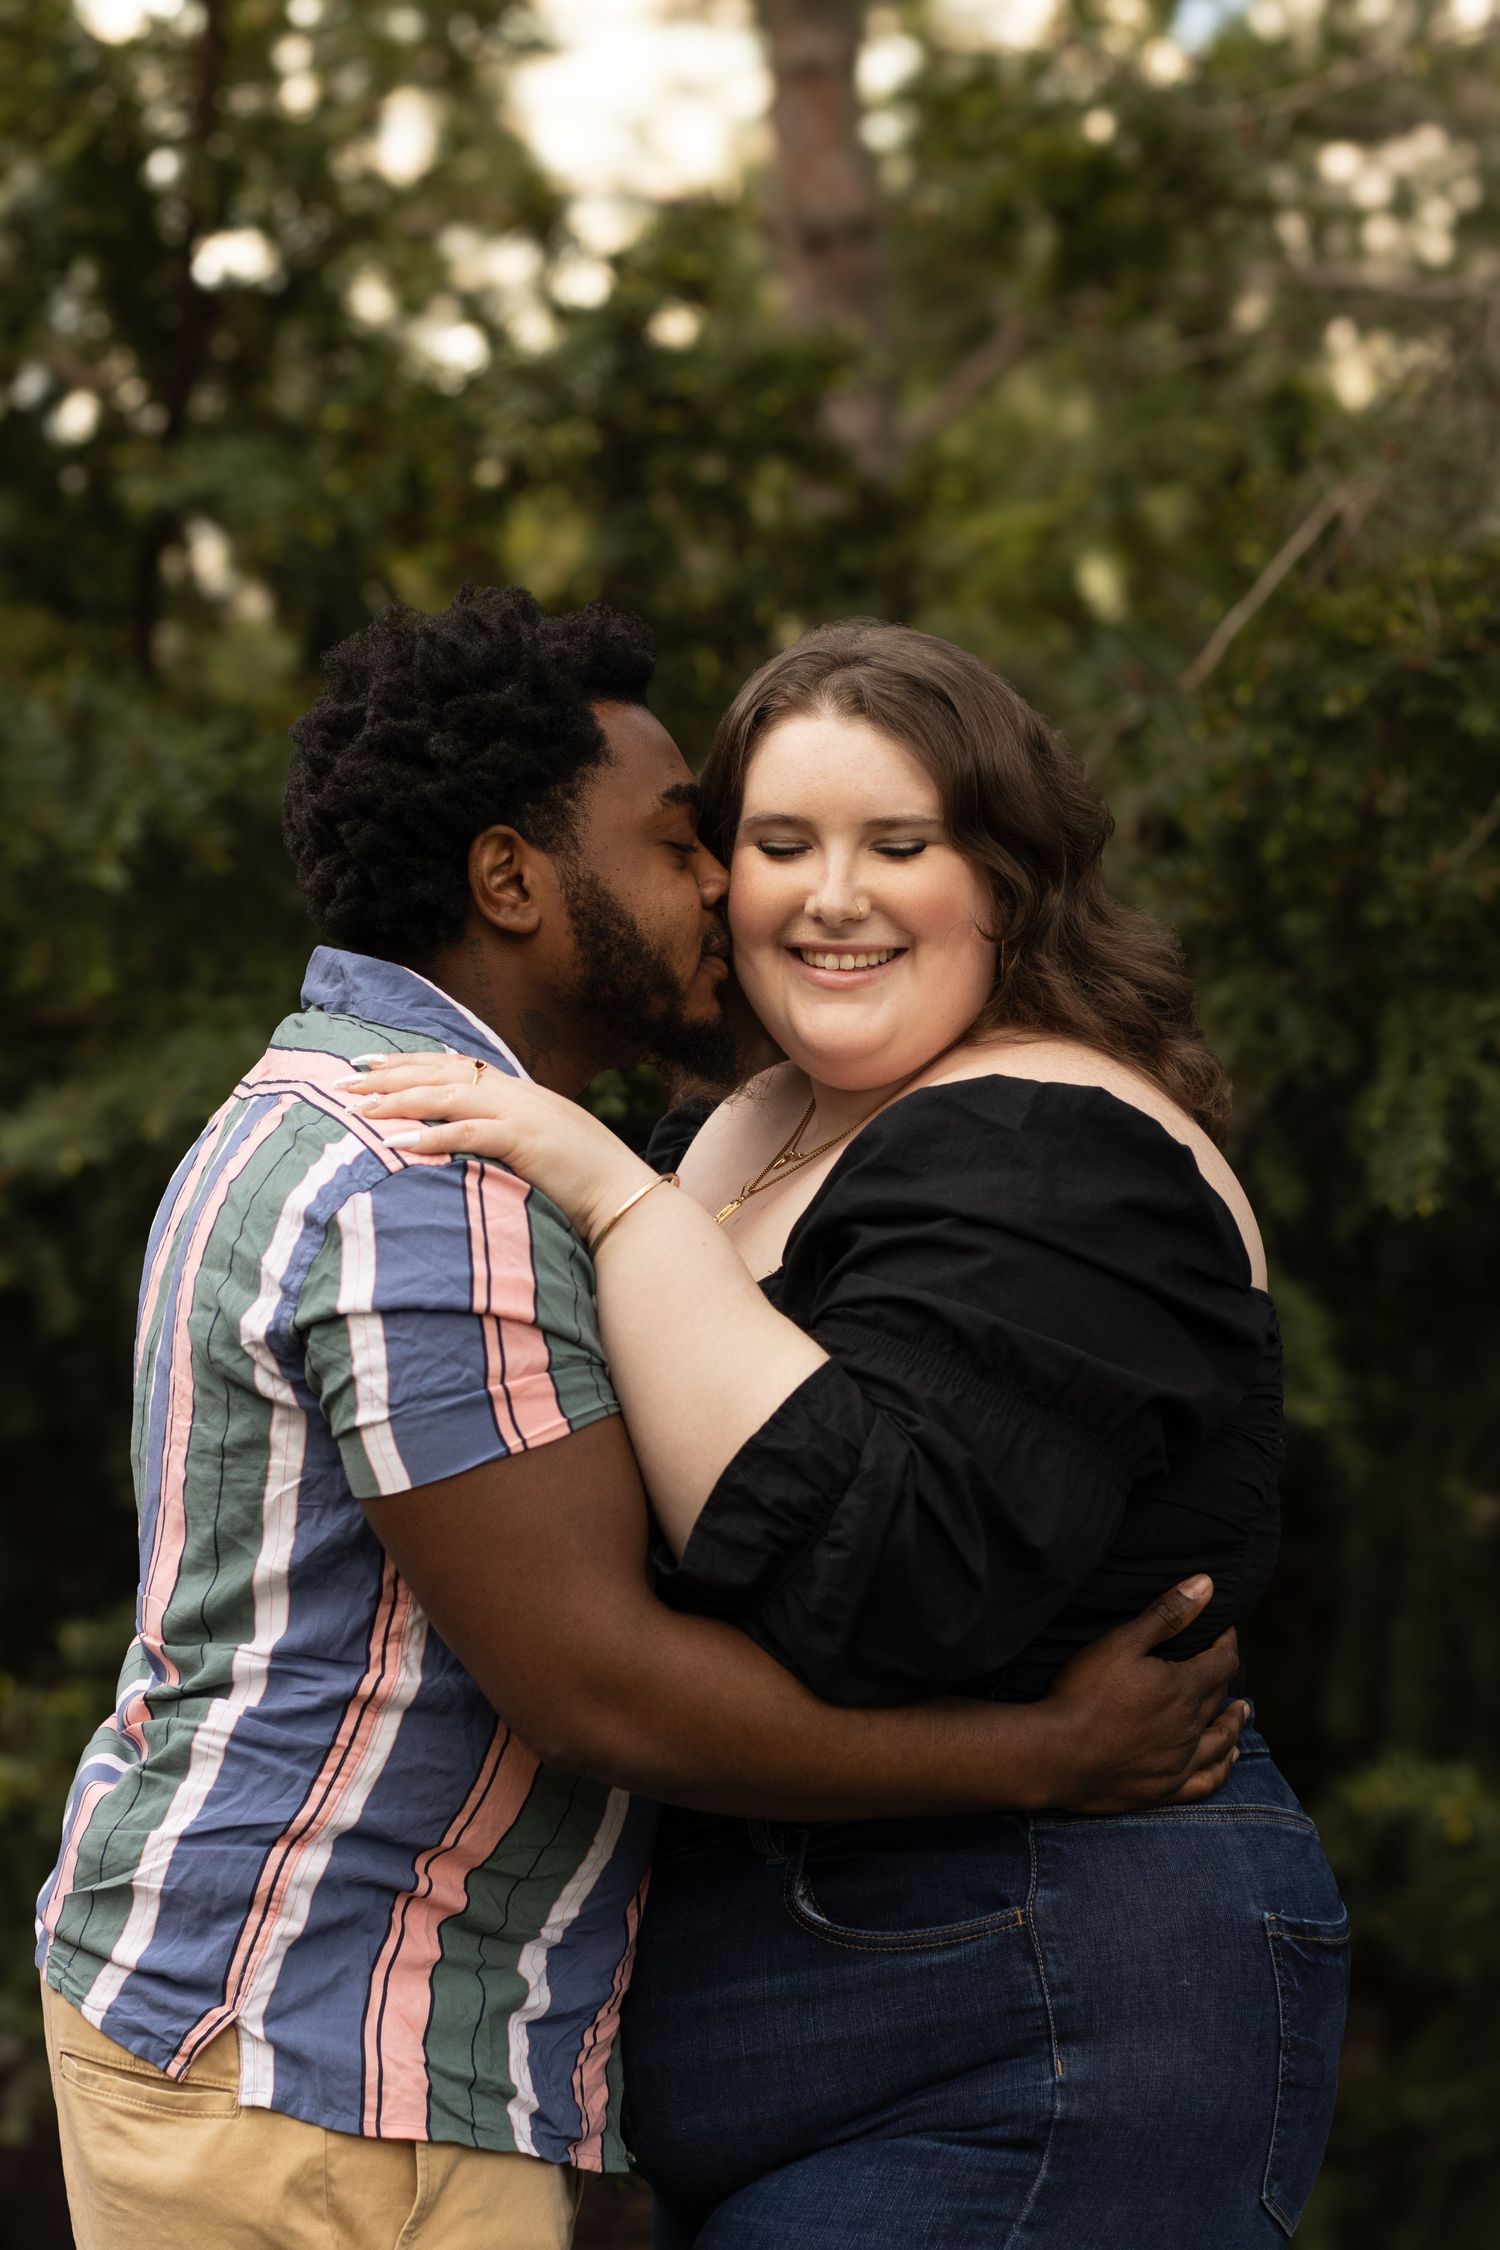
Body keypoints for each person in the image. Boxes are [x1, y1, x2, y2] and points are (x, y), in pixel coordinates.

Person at [36, 590, 1246, 2250]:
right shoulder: (433, 1173)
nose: (721, 892)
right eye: (696, 842)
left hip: (305, 2041)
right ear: (512, 879)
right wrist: (1040, 1751)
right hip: (319, 2051)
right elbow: (600, 1680)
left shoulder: (353, 1109)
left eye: (898, 841)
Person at [355, 618, 1350, 2248]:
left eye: (902, 843)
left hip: (1040, 1985)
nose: (833, 896)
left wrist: (609, 1195)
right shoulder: (745, 1127)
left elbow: (889, 1580)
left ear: (1009, 880)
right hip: (776, 1999)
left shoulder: (1060, 1141)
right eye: (778, 843)